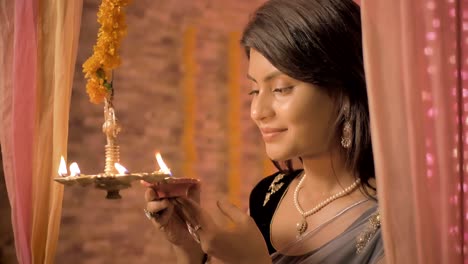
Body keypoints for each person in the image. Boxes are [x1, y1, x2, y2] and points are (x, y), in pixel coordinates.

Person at [143, 0, 384, 263]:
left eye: (280, 88)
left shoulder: (394, 220)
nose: (258, 111)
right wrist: (189, 248)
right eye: (254, 90)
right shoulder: (268, 195)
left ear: (344, 94)